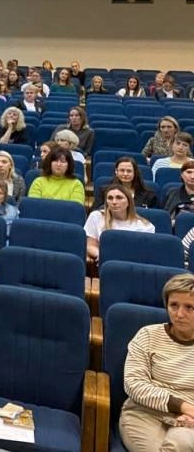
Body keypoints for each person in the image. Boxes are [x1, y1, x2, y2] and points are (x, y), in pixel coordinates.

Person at [118, 273, 194, 452]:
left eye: (190, 307)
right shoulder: (148, 335)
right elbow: (133, 384)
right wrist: (185, 406)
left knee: (181, 444)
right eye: (173, 305)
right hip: (144, 414)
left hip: (190, 421)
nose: (180, 314)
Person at [84, 184, 155, 267]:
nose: (114, 202)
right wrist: (101, 255)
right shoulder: (96, 216)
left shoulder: (146, 226)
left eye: (119, 198)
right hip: (106, 265)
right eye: (110, 198)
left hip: (134, 266)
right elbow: (90, 245)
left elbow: (145, 254)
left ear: (129, 201)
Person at [94, 157, 159, 210]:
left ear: (135, 173)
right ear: (116, 172)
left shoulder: (149, 195)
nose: (125, 174)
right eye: (122, 170)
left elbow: (155, 217)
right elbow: (95, 212)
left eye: (129, 171)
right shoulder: (104, 191)